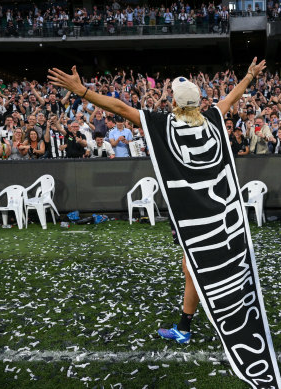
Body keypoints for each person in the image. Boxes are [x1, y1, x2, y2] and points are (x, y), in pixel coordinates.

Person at [47, 57, 267, 345]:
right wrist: (249, 76)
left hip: (190, 217)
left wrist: (81, 91)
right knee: (194, 267)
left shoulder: (164, 125)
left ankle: (190, 326)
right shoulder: (213, 119)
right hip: (217, 212)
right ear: (199, 103)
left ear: (174, 103)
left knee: (195, 269)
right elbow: (231, 98)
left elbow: (120, 108)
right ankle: (190, 322)